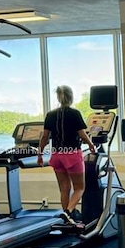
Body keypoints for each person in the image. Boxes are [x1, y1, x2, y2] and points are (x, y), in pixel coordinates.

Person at [38, 85, 96, 228]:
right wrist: (91, 145)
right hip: (72, 155)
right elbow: (82, 134)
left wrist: (40, 154)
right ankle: (69, 212)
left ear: (58, 97)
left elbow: (45, 137)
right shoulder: (75, 113)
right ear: (71, 97)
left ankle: (67, 219)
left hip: (57, 155)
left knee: (64, 188)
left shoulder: (50, 115)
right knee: (80, 188)